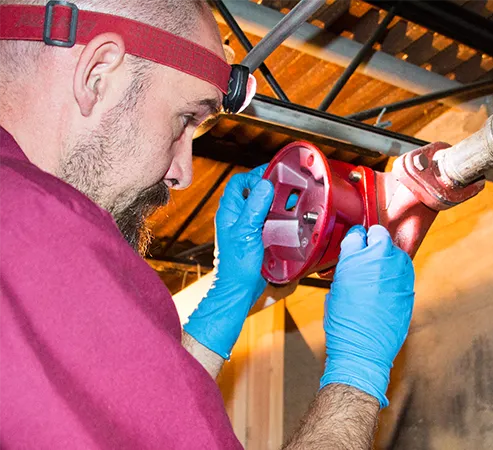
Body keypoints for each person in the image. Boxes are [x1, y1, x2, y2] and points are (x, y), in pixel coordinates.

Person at [0, 1, 414, 448]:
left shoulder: (23, 241)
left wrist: (226, 301)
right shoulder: (40, 232)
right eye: (184, 120)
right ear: (98, 74)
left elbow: (137, 426)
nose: (184, 173)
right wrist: (357, 376)